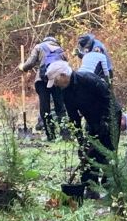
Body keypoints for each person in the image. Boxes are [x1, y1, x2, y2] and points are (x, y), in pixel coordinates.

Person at [44, 60, 121, 199]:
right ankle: (90, 189)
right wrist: (80, 139)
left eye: (55, 81)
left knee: (107, 154)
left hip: (109, 118)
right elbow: (74, 117)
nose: (55, 84)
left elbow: (110, 100)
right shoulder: (66, 92)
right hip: (92, 121)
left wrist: (107, 123)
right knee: (87, 155)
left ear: (63, 75)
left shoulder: (89, 80)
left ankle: (112, 190)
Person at [19, 36, 67, 140]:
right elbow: (66, 65)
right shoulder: (60, 50)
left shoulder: (39, 47)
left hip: (42, 80)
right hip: (59, 80)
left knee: (45, 108)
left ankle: (51, 135)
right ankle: (66, 134)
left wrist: (22, 67)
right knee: (60, 107)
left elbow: (30, 63)